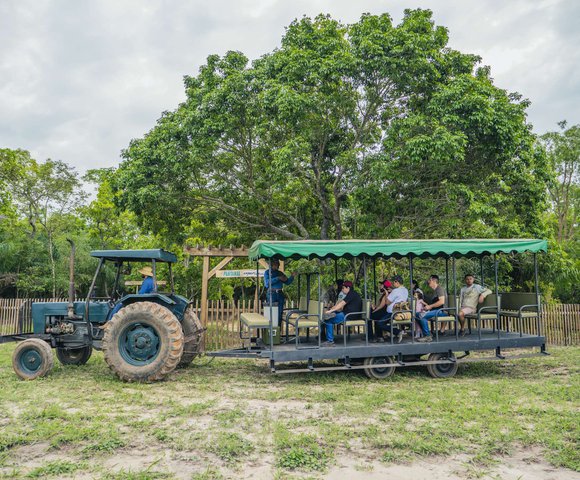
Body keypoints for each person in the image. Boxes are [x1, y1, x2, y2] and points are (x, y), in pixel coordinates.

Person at [322, 281, 362, 346]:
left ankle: (330, 341)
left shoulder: (351, 294)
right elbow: (339, 304)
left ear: (348, 288)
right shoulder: (351, 294)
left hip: (349, 316)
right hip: (346, 314)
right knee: (328, 316)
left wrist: (330, 311)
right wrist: (332, 310)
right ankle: (324, 336)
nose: (342, 289)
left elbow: (341, 304)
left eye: (343, 288)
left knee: (328, 320)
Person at [374, 275, 409, 343]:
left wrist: (387, 294)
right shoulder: (405, 290)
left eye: (394, 282)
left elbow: (387, 302)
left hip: (392, 312)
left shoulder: (395, 291)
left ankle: (398, 332)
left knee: (379, 323)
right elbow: (399, 296)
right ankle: (383, 336)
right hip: (400, 311)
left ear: (397, 282)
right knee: (380, 318)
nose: (393, 284)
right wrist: (392, 291)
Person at [263, 259, 295, 328]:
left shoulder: (280, 273)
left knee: (280, 313)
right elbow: (267, 284)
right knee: (272, 312)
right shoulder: (267, 272)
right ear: (271, 264)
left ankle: (278, 331)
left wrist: (292, 276)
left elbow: (287, 282)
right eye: (275, 264)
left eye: (278, 264)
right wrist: (278, 278)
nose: (277, 265)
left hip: (280, 294)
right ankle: (271, 331)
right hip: (272, 293)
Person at [416, 275, 447, 343]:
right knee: (417, 314)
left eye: (429, 280)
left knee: (421, 315)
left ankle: (427, 336)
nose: (428, 281)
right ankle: (427, 334)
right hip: (436, 311)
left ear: (434, 281)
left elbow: (442, 301)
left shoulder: (439, 289)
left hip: (442, 311)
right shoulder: (435, 290)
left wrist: (430, 306)